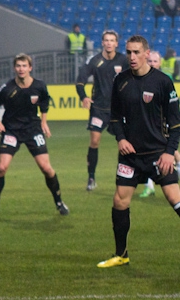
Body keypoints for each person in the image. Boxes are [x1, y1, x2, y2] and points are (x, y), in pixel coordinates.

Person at [97, 35, 180, 268]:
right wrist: (120, 139)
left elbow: (176, 124)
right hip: (130, 156)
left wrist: (169, 152)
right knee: (119, 202)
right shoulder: (120, 81)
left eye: (136, 52)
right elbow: (114, 117)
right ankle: (121, 255)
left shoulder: (163, 82)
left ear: (146, 53)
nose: (132, 57)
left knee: (175, 200)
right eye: (129, 52)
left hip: (157, 154)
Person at [0, 53, 69, 218]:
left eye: (24, 66)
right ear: (14, 68)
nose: (21, 69)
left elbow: (44, 103)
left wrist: (44, 122)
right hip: (11, 130)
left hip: (33, 130)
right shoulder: (7, 88)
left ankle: (59, 202)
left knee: (46, 168)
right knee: (1, 168)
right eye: (18, 66)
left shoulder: (39, 86)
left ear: (30, 68)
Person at [76, 30, 129, 191]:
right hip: (98, 109)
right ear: (102, 43)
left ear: (116, 43)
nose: (109, 43)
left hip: (119, 109)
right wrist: (84, 97)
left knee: (125, 143)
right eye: (106, 40)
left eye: (112, 40)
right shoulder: (94, 61)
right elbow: (80, 81)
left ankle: (126, 176)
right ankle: (91, 178)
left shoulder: (124, 60)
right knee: (94, 141)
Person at [141, 50, 180, 197]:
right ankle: (149, 186)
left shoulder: (166, 79)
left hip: (164, 122)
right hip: (149, 123)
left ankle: (153, 185)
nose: (152, 64)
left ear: (160, 63)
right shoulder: (141, 79)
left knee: (170, 151)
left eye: (155, 61)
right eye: (149, 61)